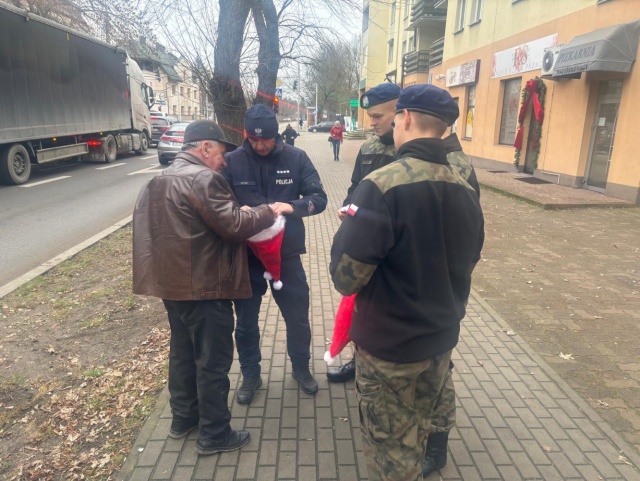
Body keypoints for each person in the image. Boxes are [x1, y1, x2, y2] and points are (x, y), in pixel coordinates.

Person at [329, 84, 484, 481]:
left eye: (395, 119)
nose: (392, 126)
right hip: (439, 339)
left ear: (407, 118)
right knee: (424, 427)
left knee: (393, 455)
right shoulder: (465, 185)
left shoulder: (382, 185)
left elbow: (346, 276)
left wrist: (351, 230)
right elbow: (470, 258)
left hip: (390, 347)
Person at [132, 120, 276, 456]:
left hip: (172, 286)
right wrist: (266, 211)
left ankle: (183, 418)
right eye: (221, 153)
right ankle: (214, 433)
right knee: (212, 361)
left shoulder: (160, 178)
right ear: (205, 147)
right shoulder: (203, 178)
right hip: (206, 287)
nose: (224, 162)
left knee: (182, 354)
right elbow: (234, 226)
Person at [224, 104, 328, 404]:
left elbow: (319, 198)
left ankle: (301, 368)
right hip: (247, 257)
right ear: (246, 134)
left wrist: (293, 206)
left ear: (277, 134)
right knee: (246, 322)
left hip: (287, 254)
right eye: (254, 139)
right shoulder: (232, 161)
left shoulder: (296, 158)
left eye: (266, 139)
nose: (260, 145)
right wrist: (236, 210)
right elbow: (218, 204)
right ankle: (250, 374)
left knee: (297, 317)